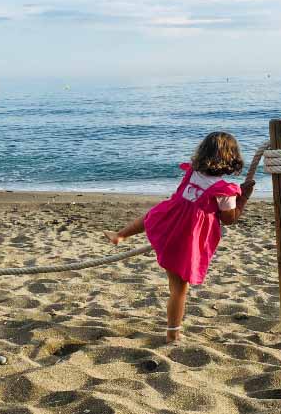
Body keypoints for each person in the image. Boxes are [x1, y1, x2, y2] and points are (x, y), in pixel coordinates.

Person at [104, 132, 255, 343]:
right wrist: (244, 198)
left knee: (150, 217)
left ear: (203, 152)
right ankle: (173, 333)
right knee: (178, 290)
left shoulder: (192, 173)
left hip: (167, 225)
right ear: (232, 158)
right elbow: (229, 219)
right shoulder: (224, 190)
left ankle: (120, 235)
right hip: (186, 241)